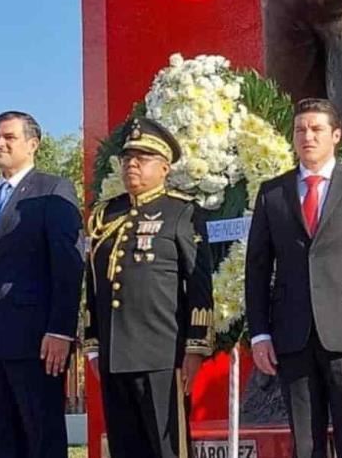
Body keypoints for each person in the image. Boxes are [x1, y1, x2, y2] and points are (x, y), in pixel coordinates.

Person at [244, 98, 342, 458]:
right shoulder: (273, 193)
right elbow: (257, 268)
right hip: (292, 335)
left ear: (336, 135)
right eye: (300, 130)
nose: (308, 137)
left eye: (316, 129)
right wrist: (260, 333)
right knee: (305, 445)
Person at [0, 111, 84, 458]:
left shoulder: (53, 190)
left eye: (9, 137)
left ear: (33, 144)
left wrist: (60, 330)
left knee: (41, 438)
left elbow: (68, 265)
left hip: (36, 341)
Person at [85, 117, 214, 458]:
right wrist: (94, 345)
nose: (132, 164)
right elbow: (93, 283)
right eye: (128, 157)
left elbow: (198, 284)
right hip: (114, 354)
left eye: (142, 158)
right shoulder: (105, 215)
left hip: (161, 354)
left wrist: (195, 346)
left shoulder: (181, 212)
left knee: (166, 448)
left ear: (164, 167)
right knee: (126, 448)